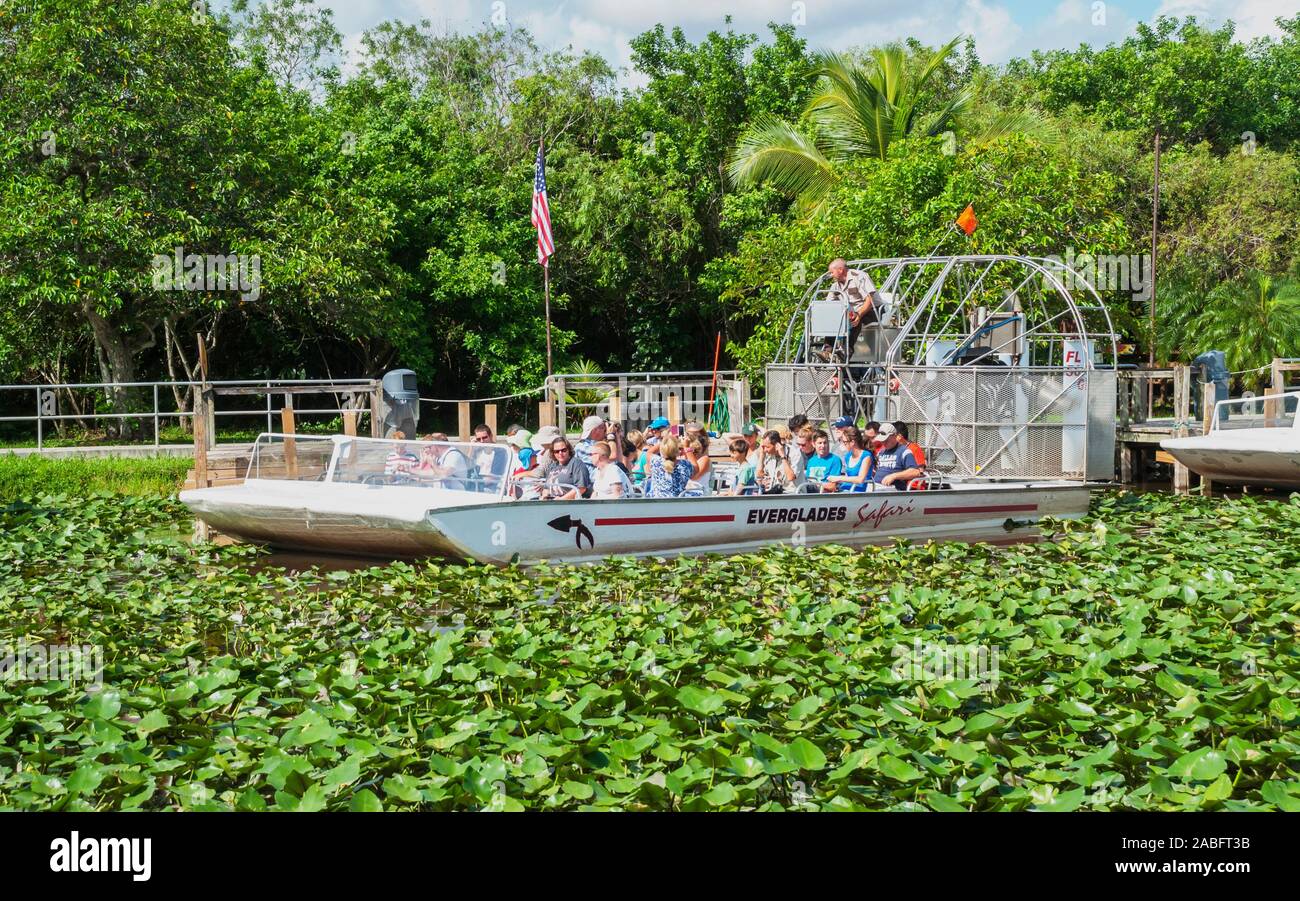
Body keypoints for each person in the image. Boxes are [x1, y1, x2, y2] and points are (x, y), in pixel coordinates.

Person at [822, 258, 881, 361]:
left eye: (832, 272)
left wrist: (859, 314)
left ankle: (846, 351)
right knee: (832, 316)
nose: (831, 275)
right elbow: (829, 305)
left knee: (853, 318)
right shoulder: (835, 286)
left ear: (840, 270)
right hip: (852, 312)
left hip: (872, 310)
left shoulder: (858, 277)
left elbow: (869, 300)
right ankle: (827, 351)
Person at [871, 423, 922, 490]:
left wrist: (894, 476)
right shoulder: (881, 452)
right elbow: (875, 470)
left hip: (893, 490)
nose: (884, 442)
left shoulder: (904, 451)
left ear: (894, 436)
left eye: (886, 440)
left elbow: (915, 472)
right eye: (882, 440)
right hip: (877, 487)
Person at [825, 426, 872, 492]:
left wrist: (838, 478)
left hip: (857, 492)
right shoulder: (848, 456)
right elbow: (847, 477)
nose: (843, 444)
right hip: (845, 489)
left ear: (852, 442)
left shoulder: (866, 456)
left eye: (845, 442)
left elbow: (860, 479)